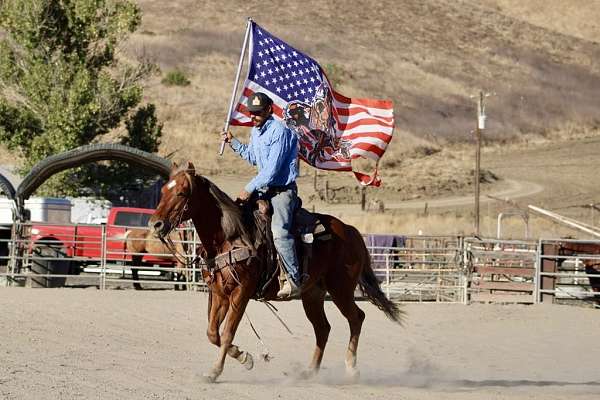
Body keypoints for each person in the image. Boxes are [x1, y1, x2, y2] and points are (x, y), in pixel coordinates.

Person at [223, 92, 303, 298]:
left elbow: (271, 170)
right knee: (236, 221)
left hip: (281, 191)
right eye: (251, 113)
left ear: (269, 110)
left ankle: (293, 279)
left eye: (258, 112)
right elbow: (253, 158)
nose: (253, 116)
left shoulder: (280, 131)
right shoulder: (256, 132)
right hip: (262, 190)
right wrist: (233, 143)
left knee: (279, 232)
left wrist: (248, 188)